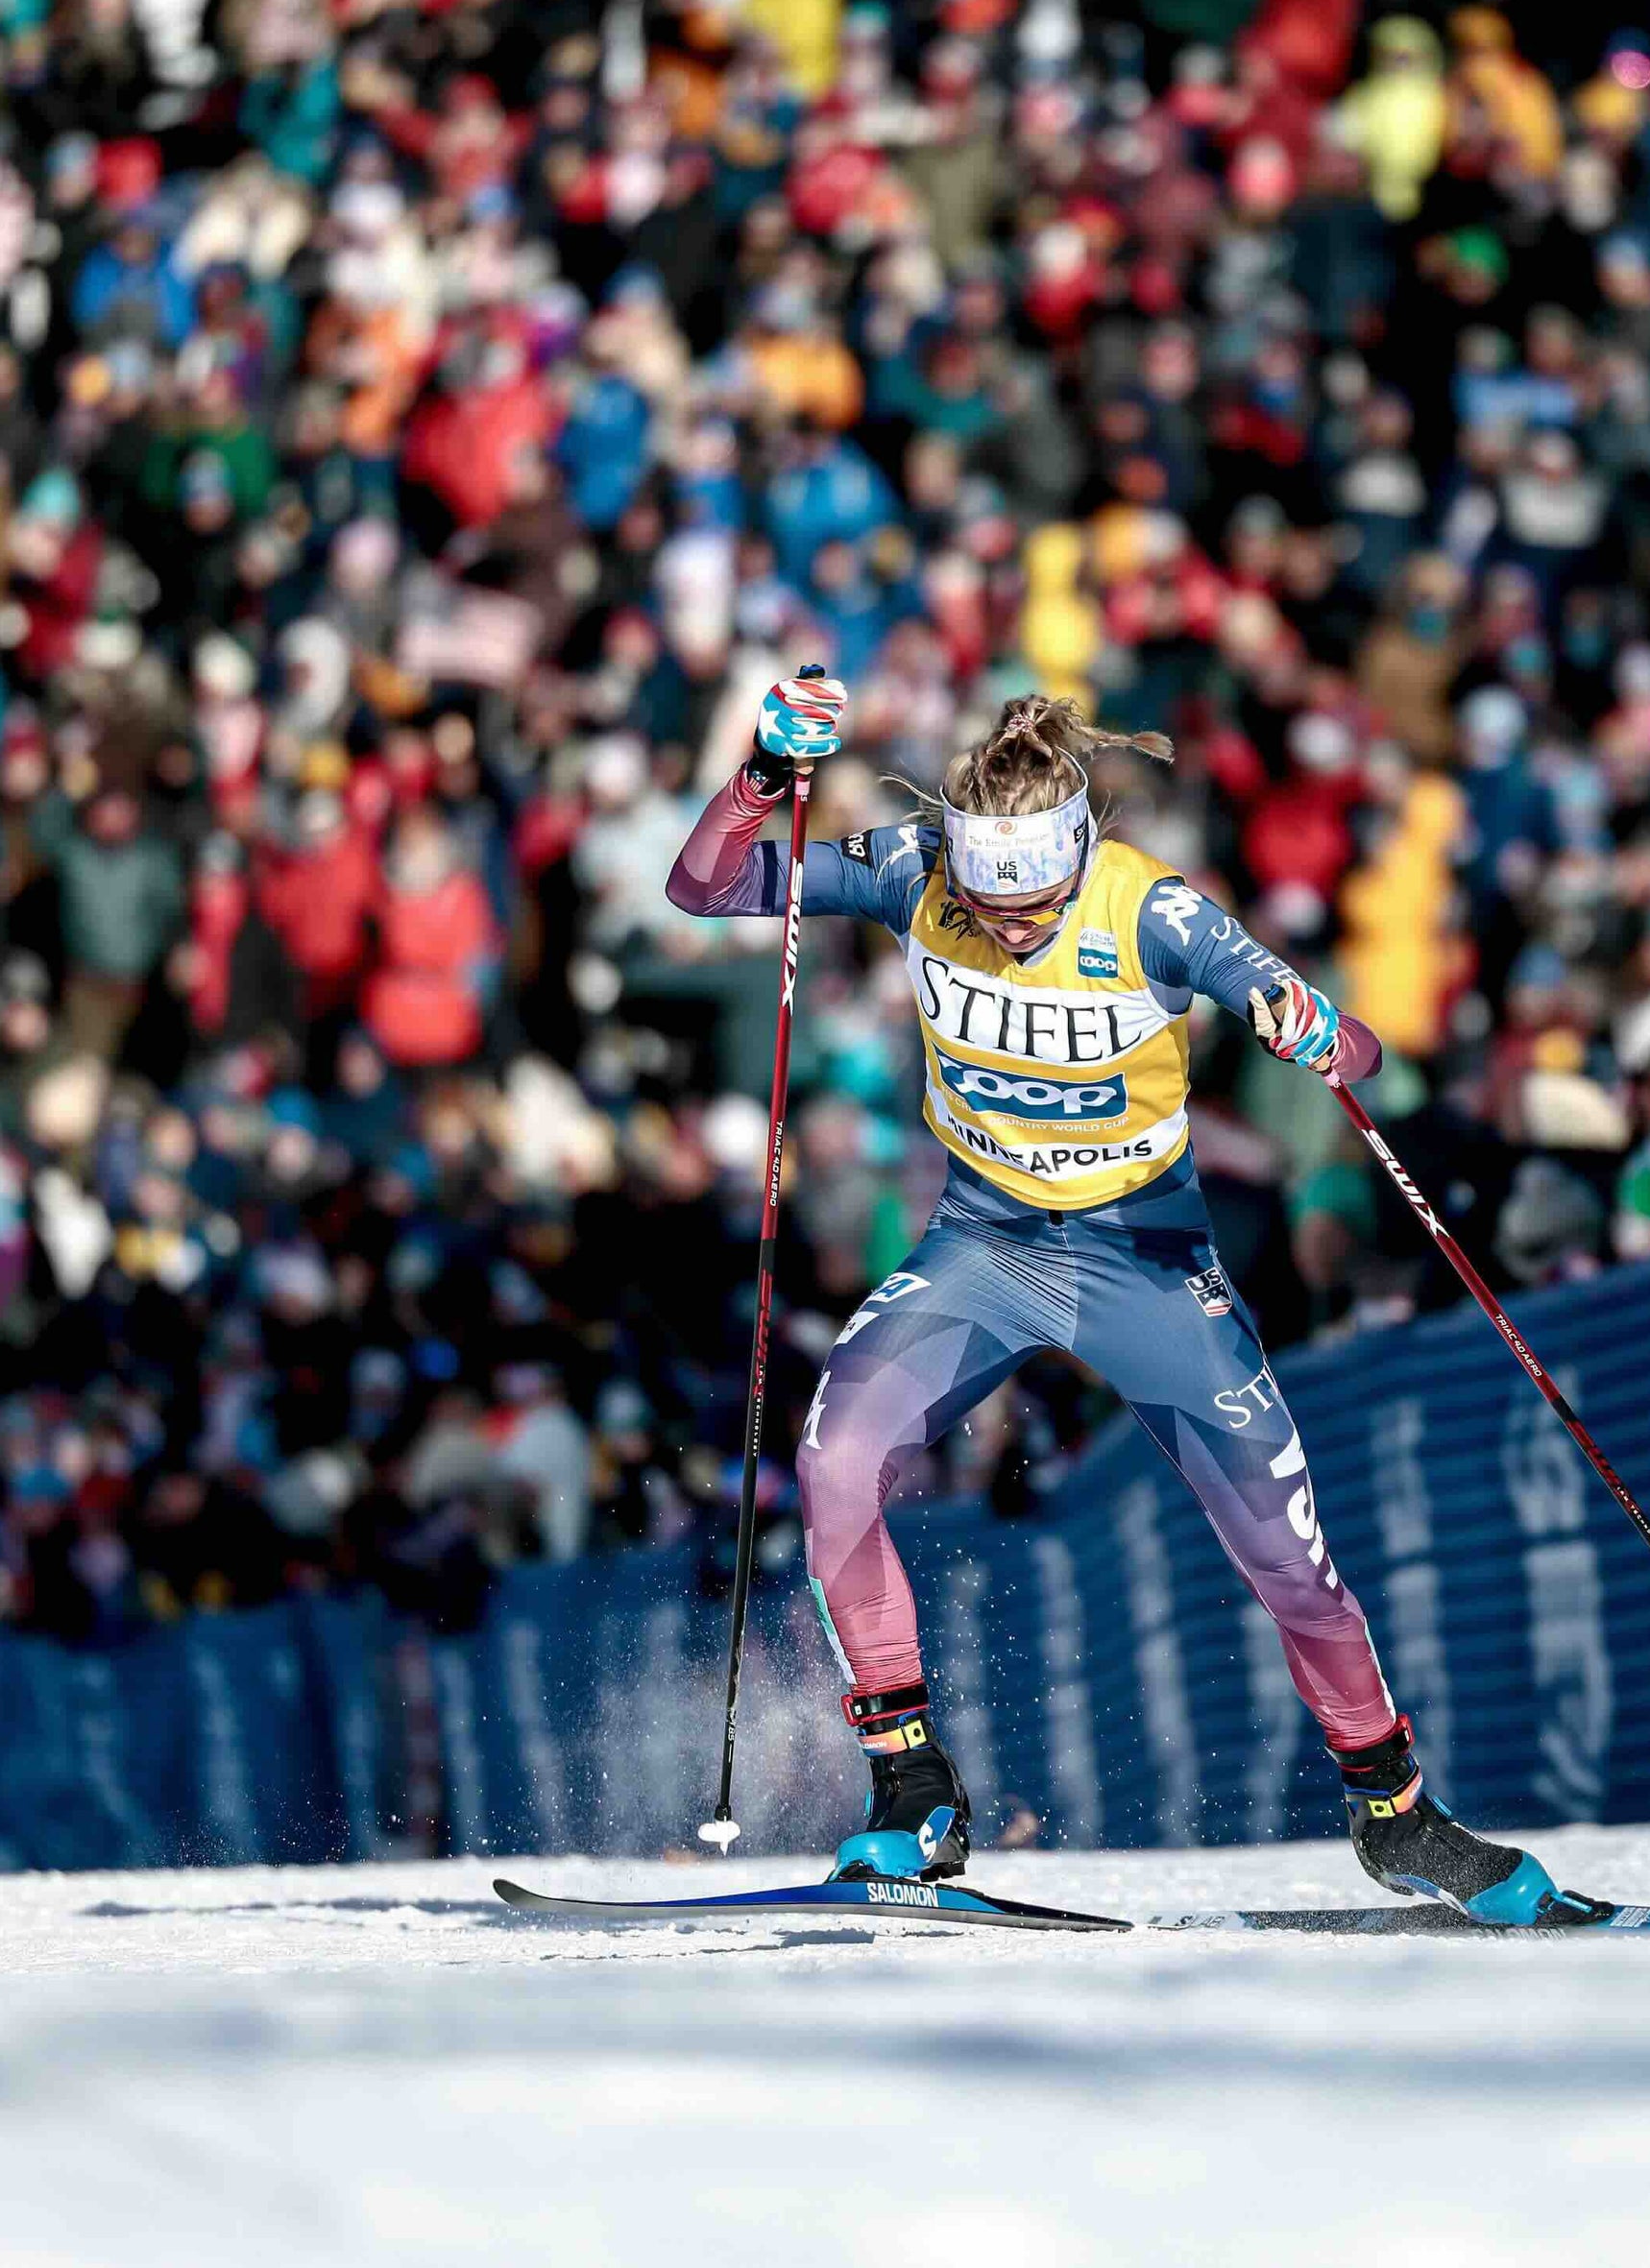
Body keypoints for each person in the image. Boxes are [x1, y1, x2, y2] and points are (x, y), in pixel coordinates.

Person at [665, 674, 1564, 1923]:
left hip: (1144, 1261)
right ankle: (910, 1789)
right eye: (989, 904)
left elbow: (1357, 1053)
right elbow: (704, 889)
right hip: (985, 1243)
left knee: (1287, 1559)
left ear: (1077, 857)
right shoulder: (925, 865)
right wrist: (763, 770)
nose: (1012, 926)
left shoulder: (1155, 910)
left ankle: (1396, 1811)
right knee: (837, 1457)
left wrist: (1313, 1025)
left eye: (1031, 904)